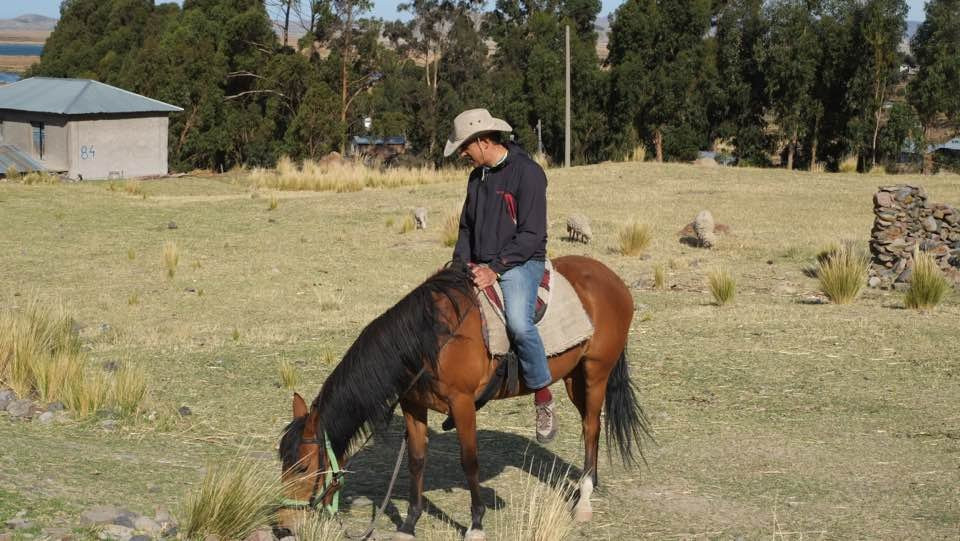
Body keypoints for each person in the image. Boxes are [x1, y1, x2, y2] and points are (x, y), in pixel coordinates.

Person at [444, 108, 556, 444]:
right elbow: (466, 229)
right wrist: (456, 267)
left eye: (465, 147)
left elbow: (532, 234)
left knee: (519, 325)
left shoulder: (529, 174)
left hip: (521, 263)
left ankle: (543, 397)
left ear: (482, 141)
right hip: (479, 262)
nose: (462, 154)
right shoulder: (476, 177)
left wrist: (495, 269)